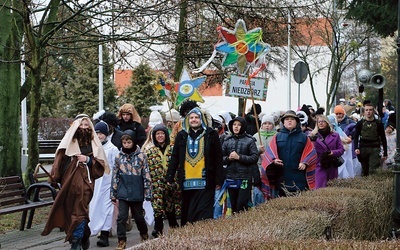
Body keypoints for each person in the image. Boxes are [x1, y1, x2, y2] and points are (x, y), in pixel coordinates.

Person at [42, 114, 109, 250]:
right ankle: (83, 236)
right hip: (68, 182)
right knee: (72, 211)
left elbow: (100, 165)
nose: (84, 128)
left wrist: (88, 160)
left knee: (80, 210)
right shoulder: (68, 141)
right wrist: (54, 178)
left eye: (86, 125)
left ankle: (76, 243)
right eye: (81, 125)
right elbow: (58, 161)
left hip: (85, 183)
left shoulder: (93, 144)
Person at [166, 107, 223, 226]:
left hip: (206, 182)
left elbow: (218, 157)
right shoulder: (182, 135)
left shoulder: (211, 134)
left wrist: (218, 179)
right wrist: (169, 177)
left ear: (201, 119)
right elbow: (175, 157)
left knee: (203, 214)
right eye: (191, 118)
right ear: (187, 120)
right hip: (187, 182)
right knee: (189, 215)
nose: (194, 120)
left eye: (196, 117)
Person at [261, 110, 317, 198]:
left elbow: (312, 153)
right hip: (281, 178)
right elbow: (270, 153)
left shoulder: (304, 137)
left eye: (292, 119)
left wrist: (305, 162)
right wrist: (274, 160)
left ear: (297, 122)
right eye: (287, 119)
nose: (289, 121)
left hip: (299, 178)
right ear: (283, 122)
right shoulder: (277, 136)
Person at [111, 129, 152, 249]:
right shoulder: (119, 157)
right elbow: (115, 176)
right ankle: (121, 240)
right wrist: (113, 193)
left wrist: (148, 192)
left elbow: (146, 175)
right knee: (121, 217)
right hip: (123, 191)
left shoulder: (141, 156)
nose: (127, 145)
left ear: (133, 142)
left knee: (139, 217)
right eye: (124, 143)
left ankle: (144, 234)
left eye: (129, 142)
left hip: (137, 191)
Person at [144, 124, 180, 238]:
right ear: (154, 136)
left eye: (162, 133)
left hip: (171, 183)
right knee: (157, 207)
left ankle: (174, 227)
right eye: (157, 134)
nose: (160, 136)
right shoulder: (150, 151)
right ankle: (158, 229)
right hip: (156, 184)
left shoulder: (173, 149)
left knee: (170, 206)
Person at [89, 121, 120, 247]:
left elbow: (116, 167)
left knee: (107, 209)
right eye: (96, 133)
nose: (99, 135)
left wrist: (115, 184)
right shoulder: (93, 148)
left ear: (106, 134)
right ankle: (92, 230)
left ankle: (105, 234)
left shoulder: (113, 149)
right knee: (94, 207)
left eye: (101, 133)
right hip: (96, 184)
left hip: (108, 184)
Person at [222, 117, 260, 212]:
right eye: (234, 125)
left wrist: (239, 157)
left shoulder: (250, 140)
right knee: (233, 204)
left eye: (239, 125)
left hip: (245, 177)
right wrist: (228, 158)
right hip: (231, 176)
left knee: (242, 203)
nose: (236, 127)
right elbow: (220, 158)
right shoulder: (227, 140)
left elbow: (254, 157)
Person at [309, 115, 345, 188]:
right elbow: (309, 151)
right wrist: (312, 141)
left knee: (332, 187)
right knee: (319, 187)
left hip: (332, 165)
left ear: (327, 123)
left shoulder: (335, 135)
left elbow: (341, 150)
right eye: (319, 122)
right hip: (319, 164)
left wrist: (333, 152)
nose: (321, 123)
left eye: (323, 121)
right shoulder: (312, 136)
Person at [354, 102, 388, 176]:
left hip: (375, 148)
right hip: (363, 148)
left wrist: (385, 152)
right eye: (366, 110)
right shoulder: (360, 123)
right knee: (364, 170)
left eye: (370, 110)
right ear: (364, 112)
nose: (368, 112)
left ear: (373, 111)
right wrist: (356, 147)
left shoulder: (378, 123)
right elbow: (356, 136)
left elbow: (383, 138)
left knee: (374, 170)